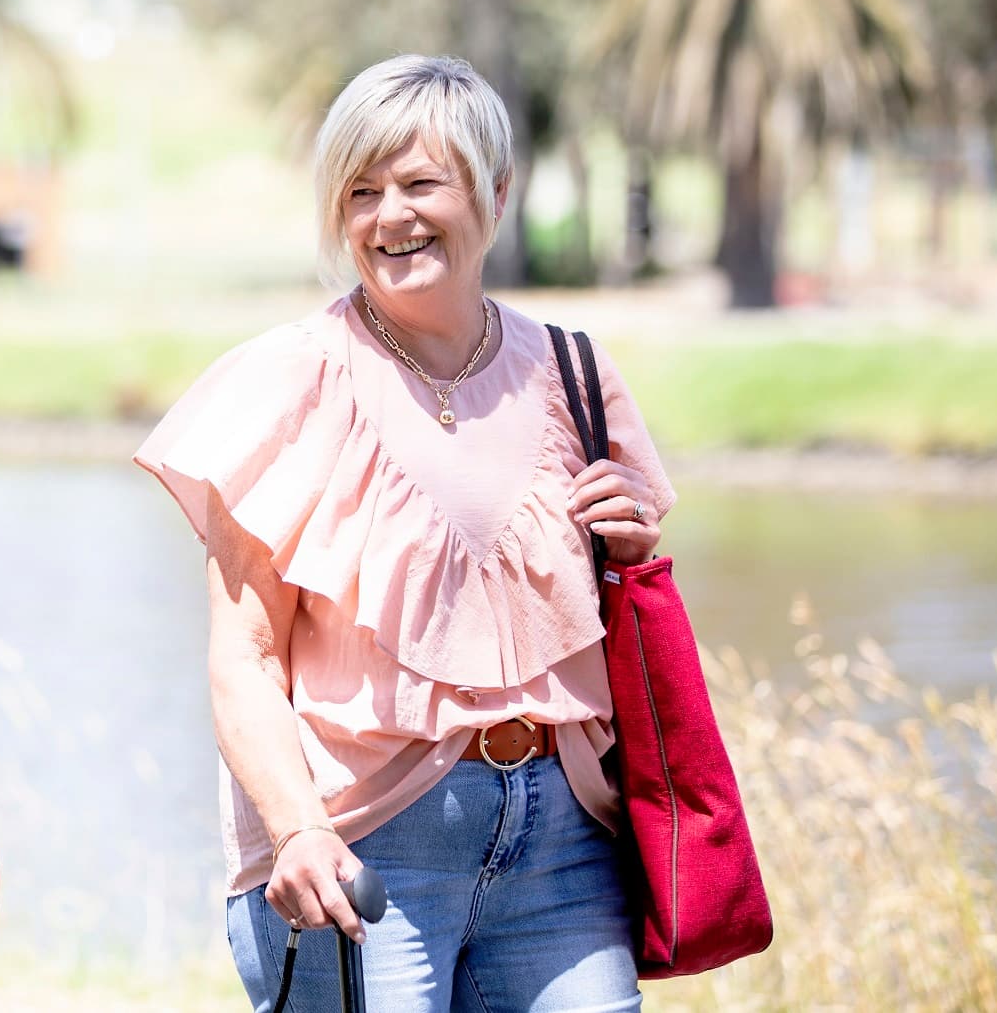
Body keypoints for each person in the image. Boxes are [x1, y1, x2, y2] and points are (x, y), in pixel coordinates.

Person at [136, 54, 671, 1011]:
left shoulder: (576, 375)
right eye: (361, 191)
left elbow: (618, 620)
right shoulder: (290, 383)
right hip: (362, 852)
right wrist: (297, 831)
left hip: (565, 846)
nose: (392, 217)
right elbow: (244, 659)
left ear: (495, 193)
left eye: (423, 183)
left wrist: (627, 548)